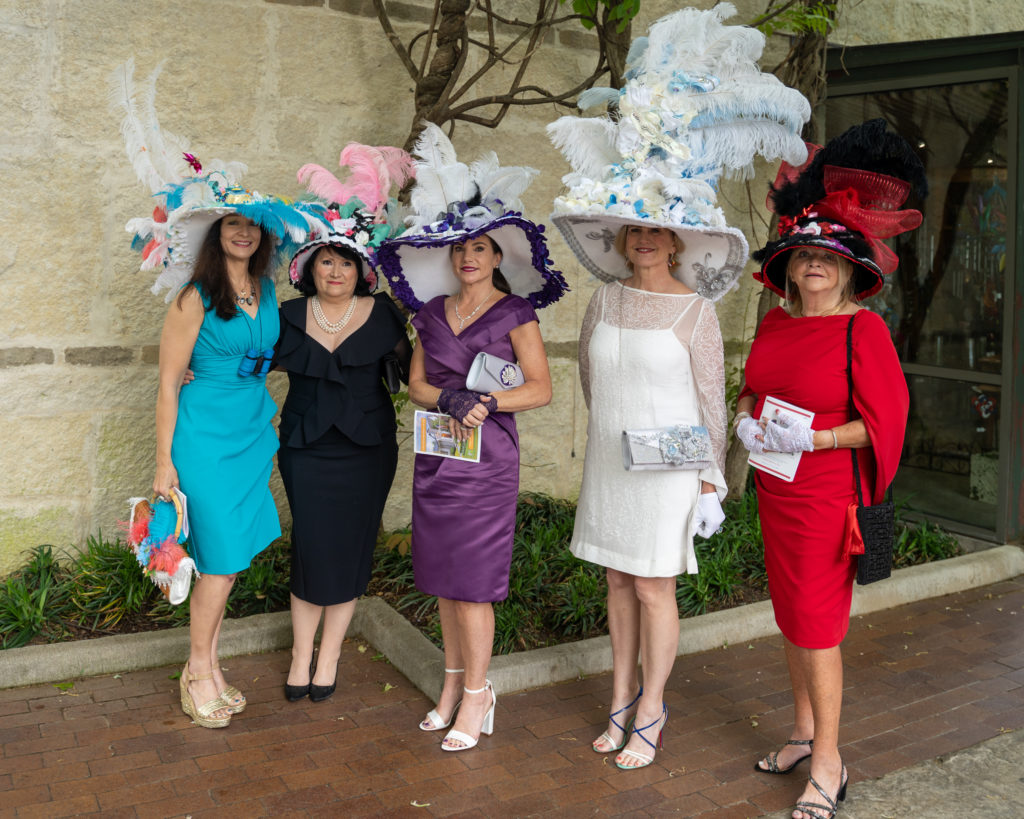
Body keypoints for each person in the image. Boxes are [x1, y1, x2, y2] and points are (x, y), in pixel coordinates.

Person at [546, 6, 810, 771]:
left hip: (665, 471)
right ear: (624, 238)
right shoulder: (602, 300)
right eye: (635, 229)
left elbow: (705, 400)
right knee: (618, 581)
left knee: (655, 587)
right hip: (611, 460)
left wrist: (703, 480)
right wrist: (610, 438)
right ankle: (619, 696)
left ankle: (654, 707)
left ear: (678, 238)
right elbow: (594, 381)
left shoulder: (696, 311)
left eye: (659, 229)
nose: (646, 239)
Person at [736, 119, 924, 819]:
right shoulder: (774, 323)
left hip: (825, 500)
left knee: (818, 626)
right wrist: (746, 413)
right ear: (786, 265)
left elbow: (885, 425)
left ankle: (829, 763)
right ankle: (803, 731)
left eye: (827, 255)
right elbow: (755, 385)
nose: (813, 262)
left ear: (849, 268)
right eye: (802, 253)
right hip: (775, 490)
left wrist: (815, 440)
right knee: (790, 617)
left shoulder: (861, 329)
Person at [377, 123, 568, 751]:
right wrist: (450, 396)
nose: (469, 258)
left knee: (472, 581)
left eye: (480, 249)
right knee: (440, 577)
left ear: (497, 257)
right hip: (439, 453)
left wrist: (484, 400)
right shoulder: (429, 314)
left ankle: (480, 695)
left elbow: (539, 388)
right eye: (460, 250)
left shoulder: (517, 314)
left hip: (488, 462)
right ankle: (453, 683)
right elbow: (417, 385)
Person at [275, 154, 413, 702]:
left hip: (367, 449)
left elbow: (417, 370)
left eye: (347, 263)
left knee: (353, 544)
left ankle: (329, 654)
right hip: (305, 447)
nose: (336, 272)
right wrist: (194, 367)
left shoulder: (384, 316)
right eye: (326, 262)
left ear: (362, 271)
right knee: (309, 543)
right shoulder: (285, 316)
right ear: (311, 268)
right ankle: (298, 653)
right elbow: (245, 361)